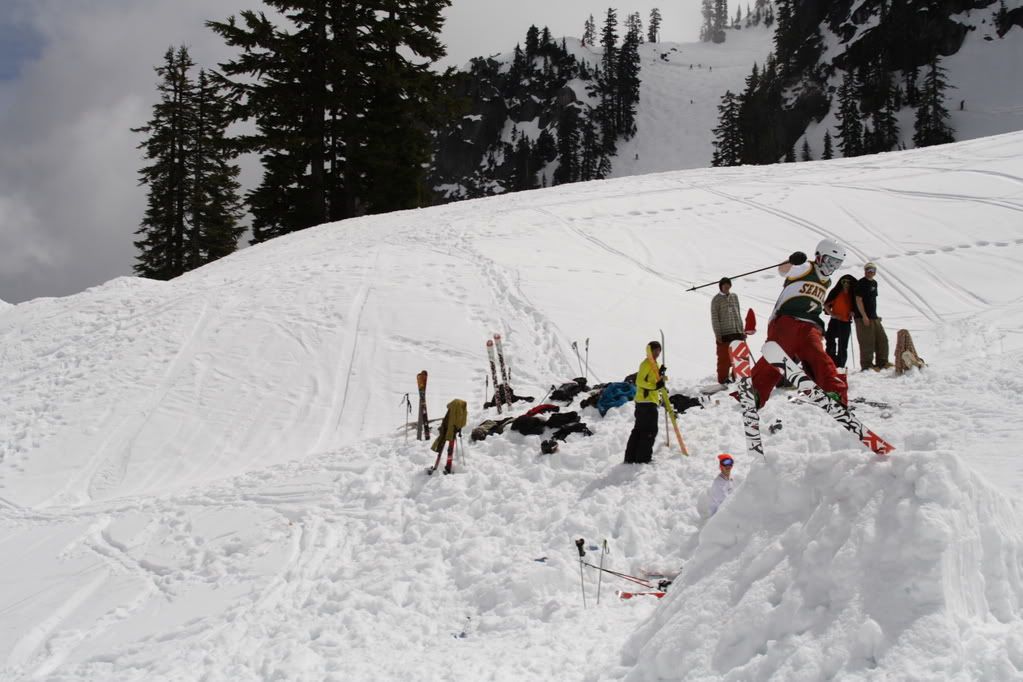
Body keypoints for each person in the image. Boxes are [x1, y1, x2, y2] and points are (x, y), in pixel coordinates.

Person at [750, 239, 850, 407]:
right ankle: (755, 392)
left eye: (837, 264)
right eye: (830, 261)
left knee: (819, 356)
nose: (831, 267)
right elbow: (783, 271)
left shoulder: (828, 281)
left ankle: (834, 391)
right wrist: (792, 260)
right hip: (787, 321)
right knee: (778, 356)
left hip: (811, 326)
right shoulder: (806, 268)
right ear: (819, 257)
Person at [624, 341, 664, 464]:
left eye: (659, 351)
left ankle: (631, 457)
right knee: (650, 430)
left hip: (645, 401)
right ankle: (643, 458)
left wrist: (660, 377)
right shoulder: (646, 364)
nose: (657, 353)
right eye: (655, 350)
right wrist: (654, 386)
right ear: (649, 351)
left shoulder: (654, 364)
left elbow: (653, 381)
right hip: (647, 402)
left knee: (639, 429)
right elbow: (640, 381)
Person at [853, 262, 891, 371]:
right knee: (867, 342)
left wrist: (875, 315)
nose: (871, 272)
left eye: (873, 270)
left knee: (882, 340)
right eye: (869, 270)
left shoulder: (874, 283)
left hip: (873, 317)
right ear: (865, 271)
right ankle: (867, 366)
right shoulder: (861, 283)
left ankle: (882, 362)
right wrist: (864, 316)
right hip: (862, 317)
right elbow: (859, 300)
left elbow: (872, 301)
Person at [711, 277, 746, 385]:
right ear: (720, 286)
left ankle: (738, 376)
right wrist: (717, 334)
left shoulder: (734, 297)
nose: (726, 287)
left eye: (728, 285)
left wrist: (742, 330)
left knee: (739, 356)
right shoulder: (716, 299)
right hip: (724, 333)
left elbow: (738, 314)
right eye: (724, 285)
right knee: (724, 359)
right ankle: (723, 379)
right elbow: (714, 318)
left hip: (737, 331)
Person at [823, 274, 857, 369]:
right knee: (830, 341)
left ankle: (840, 366)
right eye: (844, 282)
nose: (846, 284)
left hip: (846, 322)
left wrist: (853, 312)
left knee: (843, 346)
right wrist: (832, 314)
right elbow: (825, 305)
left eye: (848, 282)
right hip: (835, 321)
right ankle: (830, 362)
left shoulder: (852, 295)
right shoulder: (836, 292)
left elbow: (855, 307)